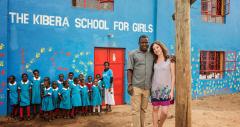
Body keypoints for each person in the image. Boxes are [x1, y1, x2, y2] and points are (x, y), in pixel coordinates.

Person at [127, 35, 154, 127]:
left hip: (147, 88)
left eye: (146, 42)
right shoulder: (133, 54)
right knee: (135, 110)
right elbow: (129, 70)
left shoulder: (152, 54)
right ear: (139, 43)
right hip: (136, 87)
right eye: (142, 42)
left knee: (144, 110)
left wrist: (170, 57)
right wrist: (130, 84)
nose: (144, 44)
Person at [150, 41, 175, 127]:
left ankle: (159, 125)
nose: (156, 50)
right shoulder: (154, 61)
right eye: (154, 49)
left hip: (166, 90)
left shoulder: (170, 60)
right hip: (155, 89)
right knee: (155, 109)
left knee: (164, 112)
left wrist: (171, 91)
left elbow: (173, 76)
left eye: (157, 47)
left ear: (161, 47)